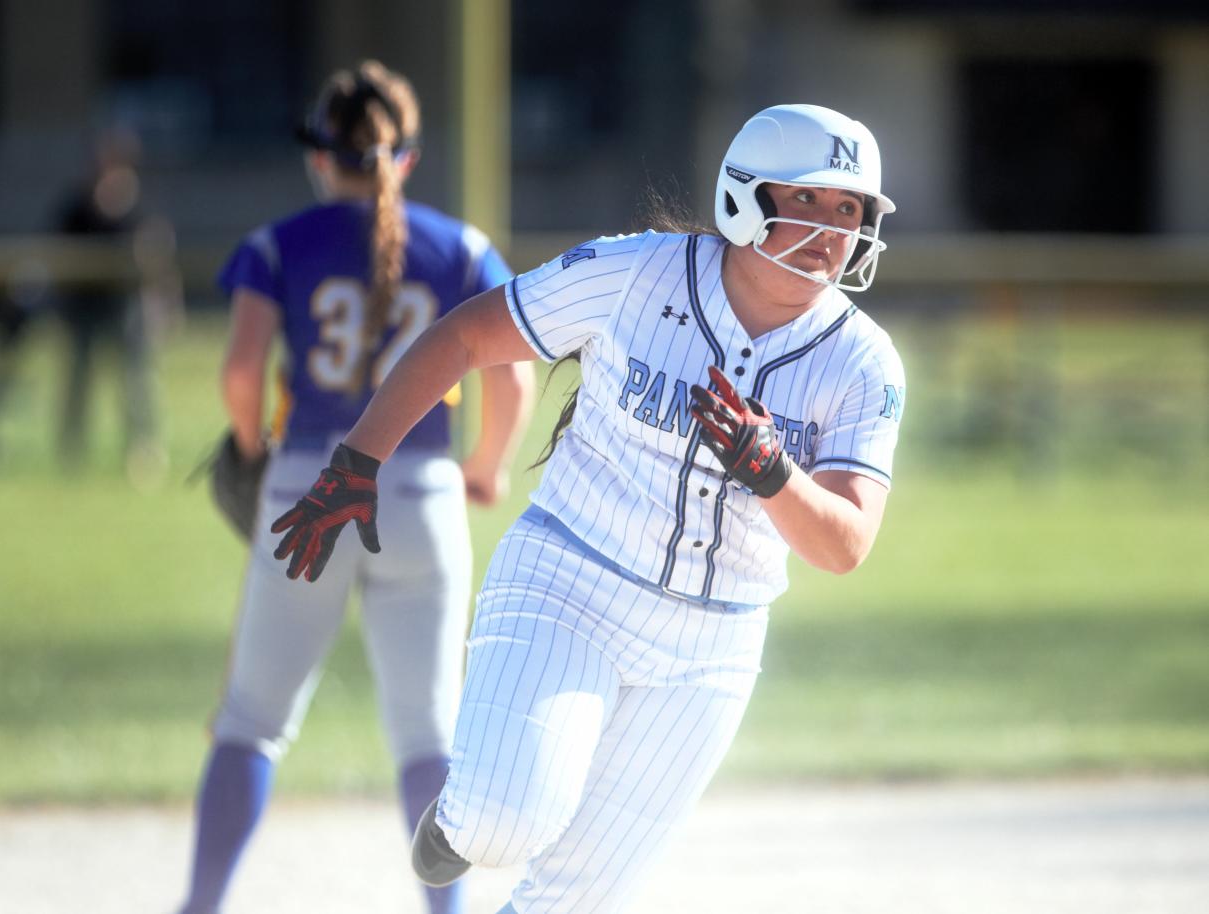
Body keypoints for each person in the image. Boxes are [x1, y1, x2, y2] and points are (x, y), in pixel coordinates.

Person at [270, 103, 906, 914]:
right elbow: (464, 338)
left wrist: (774, 473)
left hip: (712, 645)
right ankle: (464, 822)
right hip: (571, 583)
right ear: (746, 197)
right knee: (503, 824)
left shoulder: (862, 361)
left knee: (578, 900)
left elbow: (846, 543)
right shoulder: (637, 272)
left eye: (849, 210)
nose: (829, 228)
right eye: (809, 199)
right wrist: (358, 460)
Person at [176, 61, 534, 914]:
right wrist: (483, 469)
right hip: (423, 494)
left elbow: (238, 374)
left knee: (253, 722)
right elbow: (513, 382)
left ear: (320, 157)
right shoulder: (465, 247)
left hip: (308, 489)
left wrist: (255, 445)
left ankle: (200, 907)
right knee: (428, 736)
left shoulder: (279, 244)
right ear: (404, 158)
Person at [52, 126, 182, 486]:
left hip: (127, 306)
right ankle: (71, 451)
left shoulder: (137, 204)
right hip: (86, 307)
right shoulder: (77, 206)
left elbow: (159, 257)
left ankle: (144, 451)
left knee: (137, 383)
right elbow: (60, 253)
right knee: (78, 380)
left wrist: (168, 306)